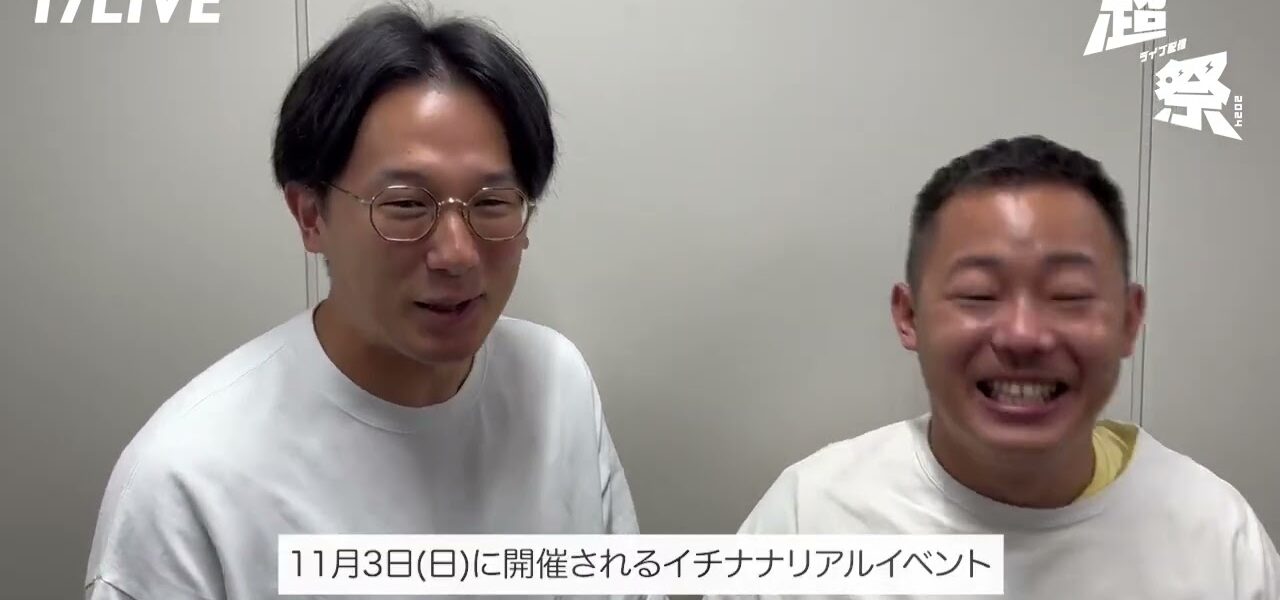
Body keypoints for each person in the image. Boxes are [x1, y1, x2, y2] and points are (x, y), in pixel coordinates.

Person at [84, 5, 643, 599]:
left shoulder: (557, 384)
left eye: (491, 204)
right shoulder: (187, 481)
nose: (456, 254)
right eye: (406, 205)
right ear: (311, 216)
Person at [732, 135, 1279, 598]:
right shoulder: (809, 516)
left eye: (1069, 295)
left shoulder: (1216, 536)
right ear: (909, 316)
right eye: (978, 294)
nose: (1023, 335)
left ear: (1129, 321)